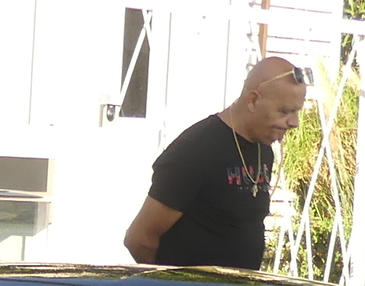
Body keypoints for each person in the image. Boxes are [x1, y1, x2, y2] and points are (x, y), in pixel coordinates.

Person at [123, 57, 310, 272]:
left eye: (296, 112)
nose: (294, 122)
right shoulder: (196, 150)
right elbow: (139, 239)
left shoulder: (263, 147)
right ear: (253, 101)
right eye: (284, 111)